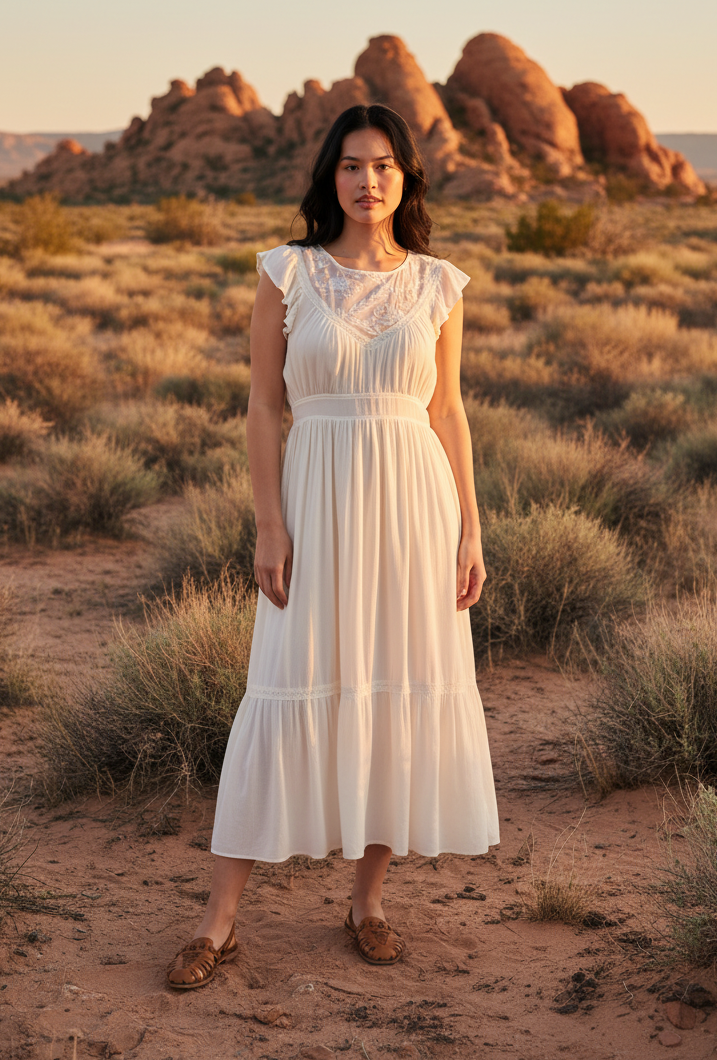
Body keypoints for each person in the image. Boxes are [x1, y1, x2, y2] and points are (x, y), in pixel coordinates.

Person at [166, 103, 500, 989]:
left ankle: (367, 903)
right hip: (313, 504)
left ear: (406, 178)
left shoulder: (438, 284)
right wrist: (268, 523)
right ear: (329, 177)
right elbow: (263, 407)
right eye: (351, 165)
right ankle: (220, 921)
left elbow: (447, 412)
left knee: (396, 693)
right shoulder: (288, 273)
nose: (367, 181)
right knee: (280, 685)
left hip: (414, 510)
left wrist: (470, 527)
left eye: (384, 165)